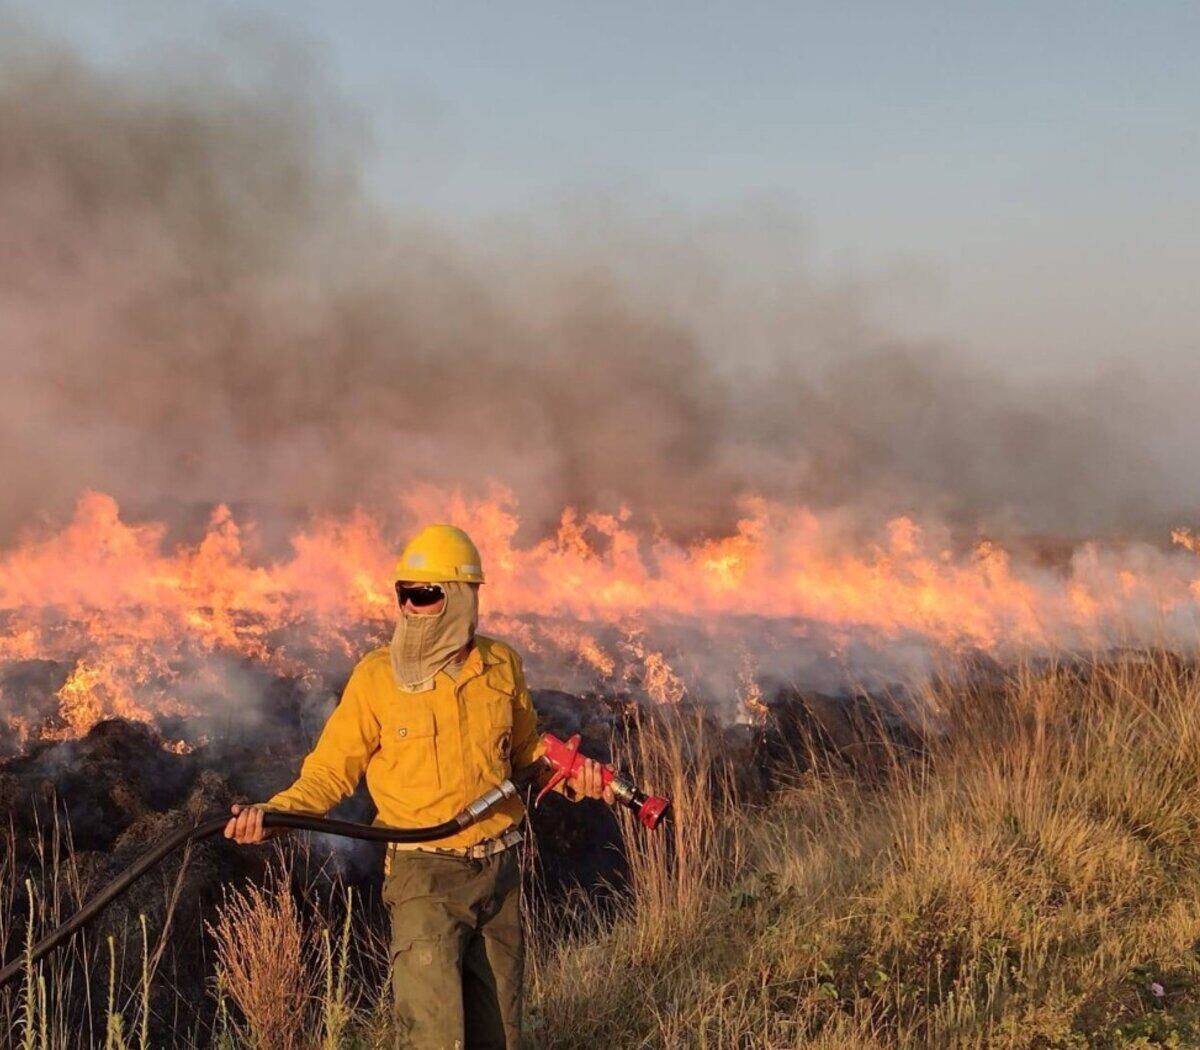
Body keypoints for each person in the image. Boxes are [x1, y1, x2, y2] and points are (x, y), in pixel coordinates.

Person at [224, 524, 614, 1049]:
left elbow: (525, 756)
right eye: (403, 593)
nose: (409, 607)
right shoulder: (377, 678)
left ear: (460, 599)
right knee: (435, 1037)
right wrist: (273, 814)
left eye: (425, 595)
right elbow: (328, 772)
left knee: (502, 1035)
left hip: (498, 872)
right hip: (424, 875)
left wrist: (574, 780)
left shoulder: (501, 666)